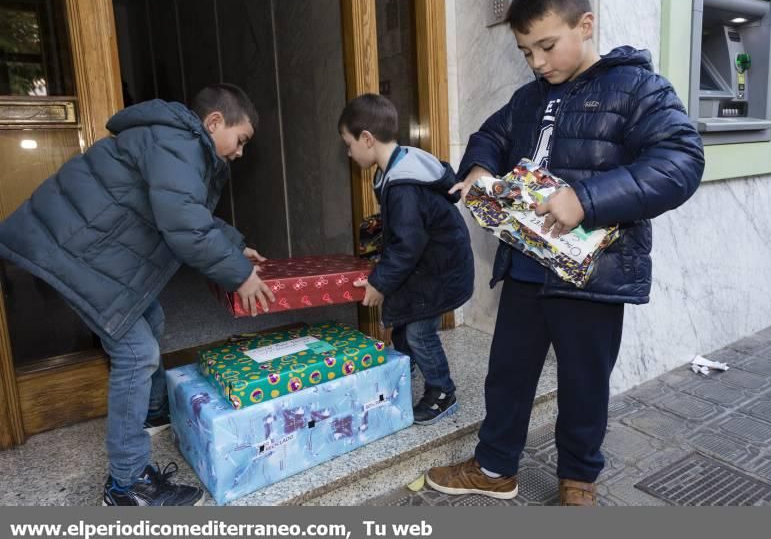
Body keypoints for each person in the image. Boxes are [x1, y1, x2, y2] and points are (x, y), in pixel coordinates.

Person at [425, 0, 704, 505]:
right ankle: (494, 467)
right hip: (528, 266)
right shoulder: (529, 99)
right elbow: (490, 135)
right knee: (507, 373)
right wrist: (481, 166)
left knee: (583, 382)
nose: (537, 63)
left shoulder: (637, 87)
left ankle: (578, 479)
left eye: (547, 46)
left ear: (586, 24)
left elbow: (681, 161)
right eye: (526, 51)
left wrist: (588, 200)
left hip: (592, 275)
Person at [0, 83, 275, 506]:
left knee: (153, 320)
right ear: (215, 122)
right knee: (136, 352)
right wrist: (239, 275)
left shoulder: (171, 140)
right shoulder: (179, 141)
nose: (240, 153)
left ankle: (149, 413)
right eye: (241, 141)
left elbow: (182, 210)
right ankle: (127, 485)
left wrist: (234, 245)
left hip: (92, 253)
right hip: (78, 252)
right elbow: (183, 221)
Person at [339, 94, 474, 425]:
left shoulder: (401, 185)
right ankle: (405, 367)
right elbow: (406, 233)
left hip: (441, 270)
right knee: (405, 322)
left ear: (367, 139)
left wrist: (380, 282)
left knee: (419, 332)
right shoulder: (395, 168)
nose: (347, 151)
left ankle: (442, 391)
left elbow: (408, 245)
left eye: (348, 143)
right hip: (432, 263)